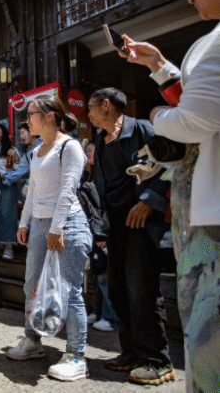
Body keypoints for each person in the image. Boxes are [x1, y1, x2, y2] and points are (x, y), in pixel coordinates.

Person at [119, 0, 220, 389]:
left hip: (213, 223)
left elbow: (194, 119)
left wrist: (158, 116)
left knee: (208, 350)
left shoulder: (215, 42)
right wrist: (160, 65)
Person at [87, 87, 174, 385]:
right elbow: (101, 185)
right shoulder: (100, 139)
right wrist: (101, 228)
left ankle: (157, 360)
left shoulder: (144, 129)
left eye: (91, 108)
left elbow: (171, 162)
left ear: (106, 106)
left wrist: (150, 200)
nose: (88, 114)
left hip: (143, 225)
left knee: (142, 290)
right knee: (118, 288)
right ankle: (132, 352)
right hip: (117, 226)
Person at [6, 95, 92, 382]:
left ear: (51, 116)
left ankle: (77, 355)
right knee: (32, 284)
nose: (27, 120)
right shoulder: (36, 152)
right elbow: (32, 190)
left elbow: (69, 189)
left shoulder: (70, 146)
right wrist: (24, 222)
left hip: (66, 224)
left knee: (69, 291)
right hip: (41, 226)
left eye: (31, 114)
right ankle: (33, 341)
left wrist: (57, 228)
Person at [0, 123, 20, 260]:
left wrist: (16, 157)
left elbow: (19, 168)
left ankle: (8, 247)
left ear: (3, 132)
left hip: (6, 185)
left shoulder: (11, 149)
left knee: (7, 215)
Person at [4, 123, 39, 202]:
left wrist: (28, 183)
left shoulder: (45, 144)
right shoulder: (28, 154)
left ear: (31, 132)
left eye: (23, 133)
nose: (21, 137)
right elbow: (19, 172)